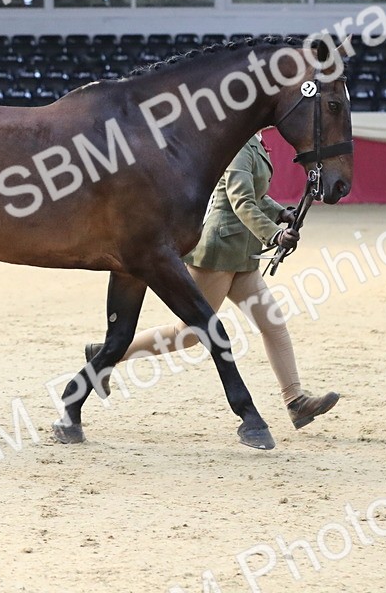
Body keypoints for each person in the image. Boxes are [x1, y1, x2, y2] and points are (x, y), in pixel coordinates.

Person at [86, 132, 340, 430]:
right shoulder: (238, 145)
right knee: (189, 333)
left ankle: (295, 401)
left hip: (241, 254)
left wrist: (280, 212)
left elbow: (255, 194)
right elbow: (241, 200)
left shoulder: (252, 142)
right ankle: (105, 355)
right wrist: (273, 233)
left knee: (272, 322)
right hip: (220, 252)